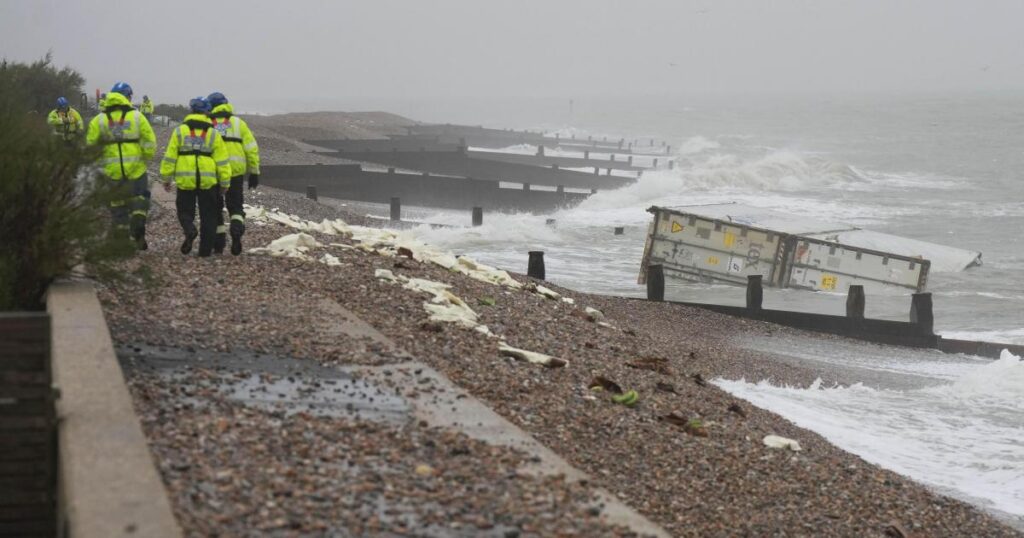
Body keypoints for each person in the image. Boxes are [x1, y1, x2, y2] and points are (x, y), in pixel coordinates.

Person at [85, 82, 156, 250]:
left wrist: (98, 164)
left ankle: (121, 239)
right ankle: (138, 226)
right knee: (140, 199)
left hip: (111, 171)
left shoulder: (99, 120)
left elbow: (90, 145)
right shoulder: (138, 117)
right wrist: (145, 158)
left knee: (117, 205)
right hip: (136, 169)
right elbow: (149, 141)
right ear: (128, 97)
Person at [159, 97, 231, 257]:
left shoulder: (179, 131)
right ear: (207, 112)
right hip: (208, 181)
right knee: (209, 216)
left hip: (186, 179)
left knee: (184, 211)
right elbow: (222, 160)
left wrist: (166, 178)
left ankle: (189, 229)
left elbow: (170, 156)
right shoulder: (213, 133)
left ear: (191, 111)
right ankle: (205, 251)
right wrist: (225, 182)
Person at [206, 92, 260, 255]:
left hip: (213, 172)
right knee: (235, 206)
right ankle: (236, 232)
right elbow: (251, 149)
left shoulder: (207, 124)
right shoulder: (238, 123)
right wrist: (254, 172)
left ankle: (219, 243)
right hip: (235, 173)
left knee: (215, 208)